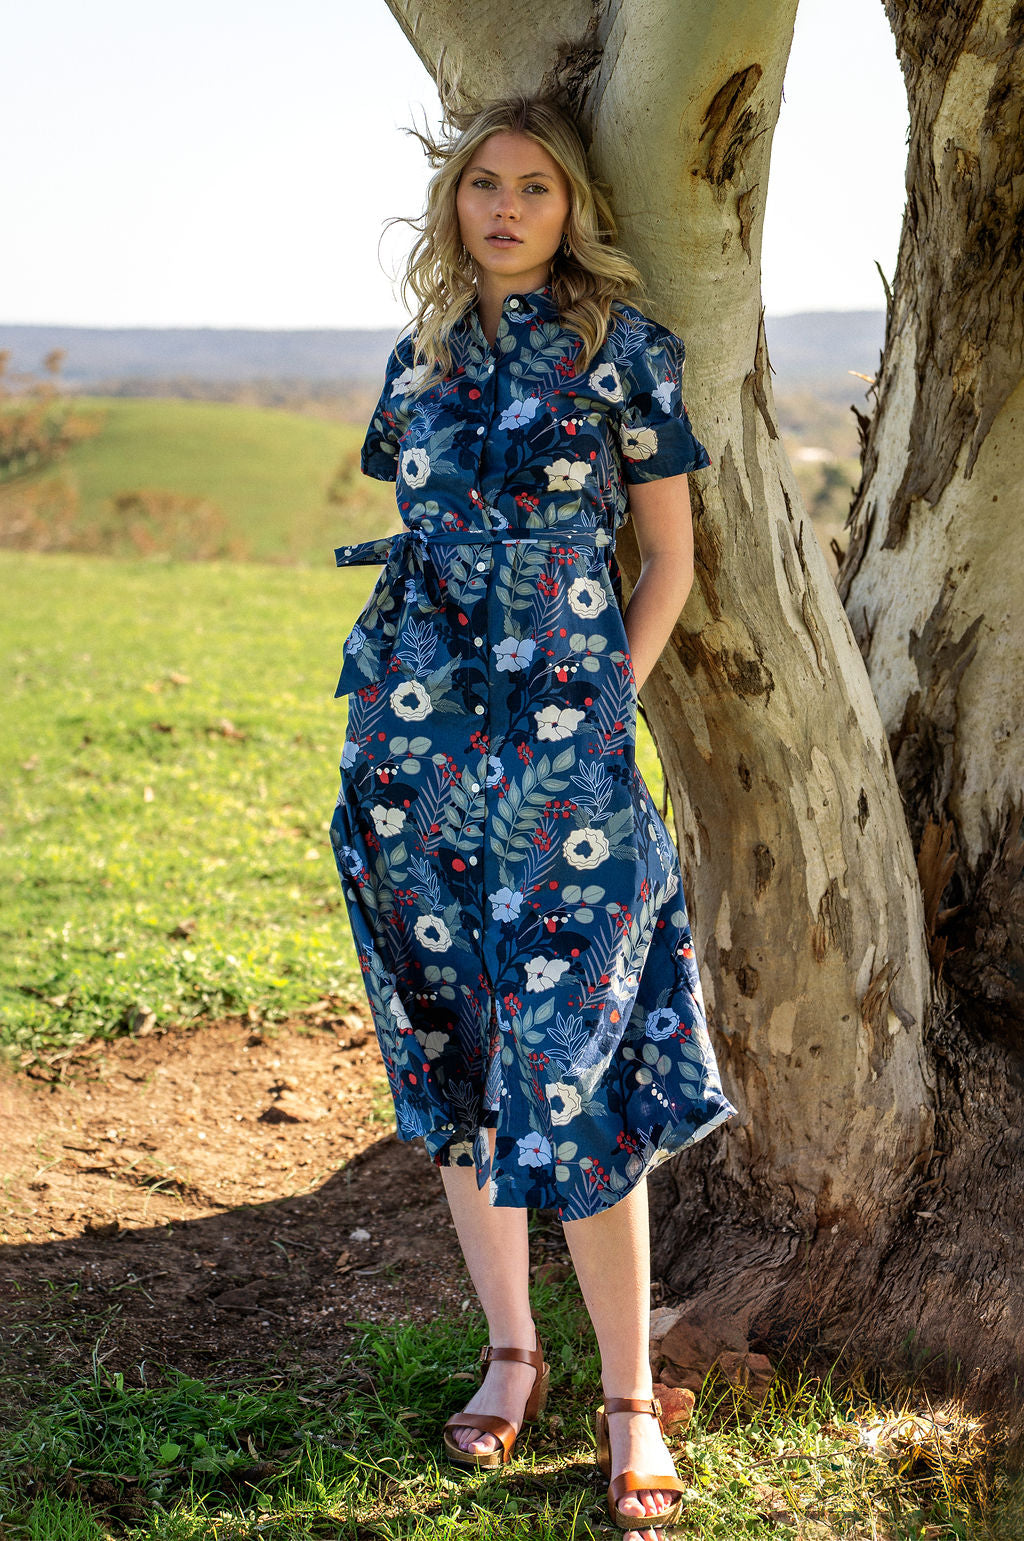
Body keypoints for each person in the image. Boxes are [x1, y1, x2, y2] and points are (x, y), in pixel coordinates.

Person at [329, 90, 738, 1540]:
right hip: (417, 763)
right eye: (483, 184)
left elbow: (670, 564)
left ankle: (631, 1395)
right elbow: (414, 546)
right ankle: (513, 1354)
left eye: (537, 188)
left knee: (578, 1070)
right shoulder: (420, 357)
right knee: (456, 1049)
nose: (505, 208)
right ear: (455, 202)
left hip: (563, 778)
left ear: (574, 211)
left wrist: (599, 712)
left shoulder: (625, 355)